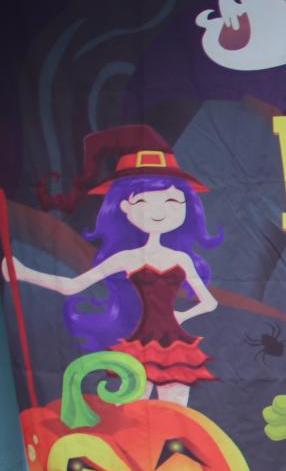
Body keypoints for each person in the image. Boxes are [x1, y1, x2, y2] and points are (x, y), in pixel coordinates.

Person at [4, 125, 221, 406]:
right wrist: (23, 273)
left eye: (172, 200)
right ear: (124, 207)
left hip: (174, 346)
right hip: (138, 345)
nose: (159, 210)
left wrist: (181, 316)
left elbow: (209, 302)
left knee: (176, 413)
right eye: (143, 201)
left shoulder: (180, 259)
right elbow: (72, 286)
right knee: (132, 412)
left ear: (185, 205)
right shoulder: (126, 258)